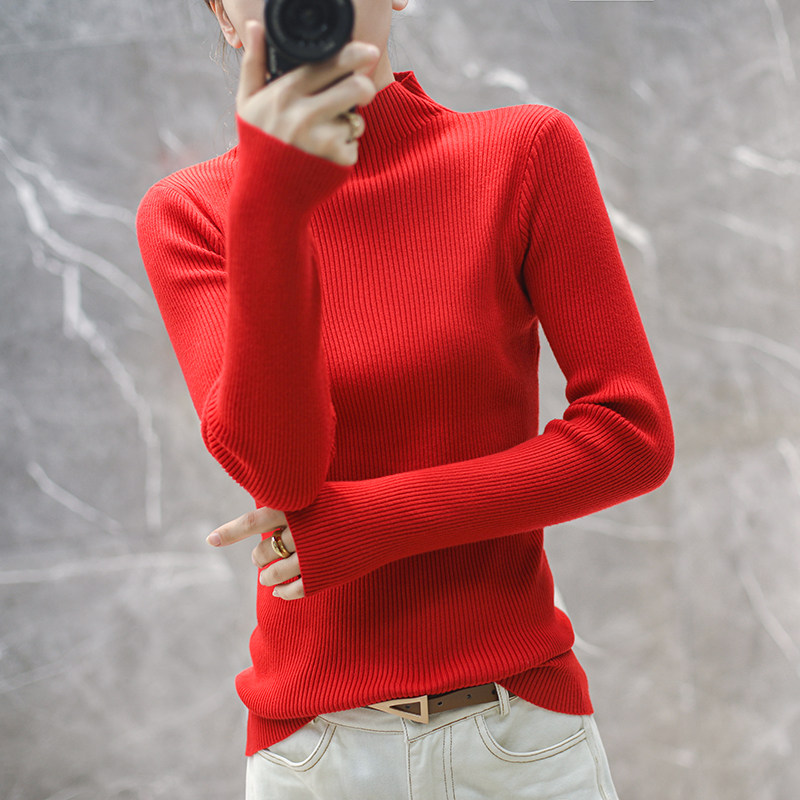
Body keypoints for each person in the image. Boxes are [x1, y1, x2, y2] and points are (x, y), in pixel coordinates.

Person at [136, 0, 675, 797]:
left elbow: (630, 436)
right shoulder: (193, 213)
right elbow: (282, 474)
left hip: (522, 740)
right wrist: (273, 210)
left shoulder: (523, 152)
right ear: (222, 12)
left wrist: (374, 523)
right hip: (317, 758)